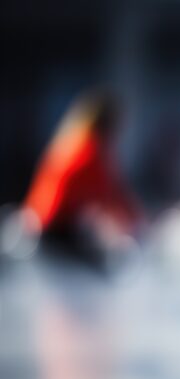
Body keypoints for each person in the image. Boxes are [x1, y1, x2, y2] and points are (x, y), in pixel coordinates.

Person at [23, 90, 140, 272]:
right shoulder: (90, 154)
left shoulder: (70, 143)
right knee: (111, 269)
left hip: (39, 228)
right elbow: (112, 196)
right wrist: (137, 222)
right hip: (54, 231)